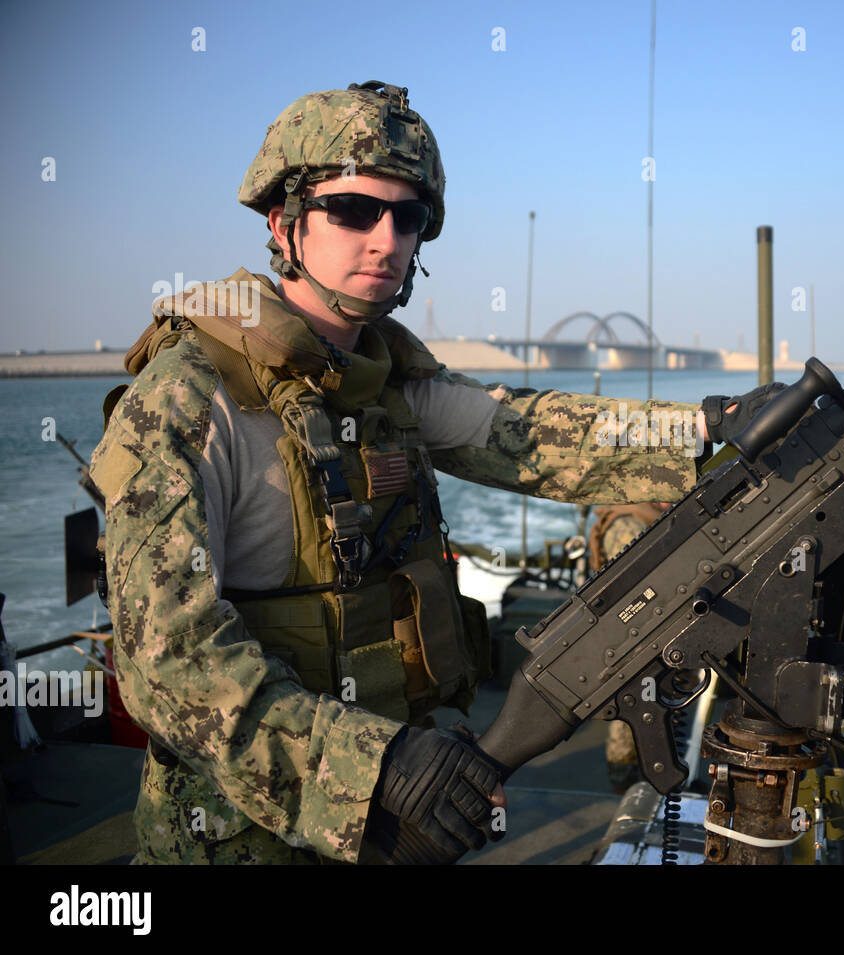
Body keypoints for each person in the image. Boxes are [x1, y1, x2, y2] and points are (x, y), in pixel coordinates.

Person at [89, 81, 781, 865]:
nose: (385, 238)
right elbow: (165, 659)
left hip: (394, 826)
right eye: (353, 210)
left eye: (407, 216)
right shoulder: (190, 395)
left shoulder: (385, 383)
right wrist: (373, 765)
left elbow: (532, 432)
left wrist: (709, 426)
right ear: (285, 224)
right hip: (247, 839)